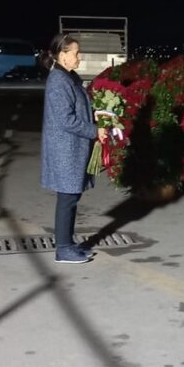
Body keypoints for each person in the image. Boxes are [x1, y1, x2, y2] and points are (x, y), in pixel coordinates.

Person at [40, 34, 108, 263]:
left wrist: (94, 115)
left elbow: (76, 109)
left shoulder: (68, 76)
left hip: (71, 147)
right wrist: (94, 130)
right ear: (63, 56)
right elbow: (65, 120)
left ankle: (67, 244)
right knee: (67, 198)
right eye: (76, 53)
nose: (80, 57)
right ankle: (63, 249)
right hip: (65, 149)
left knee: (71, 197)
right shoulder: (58, 81)